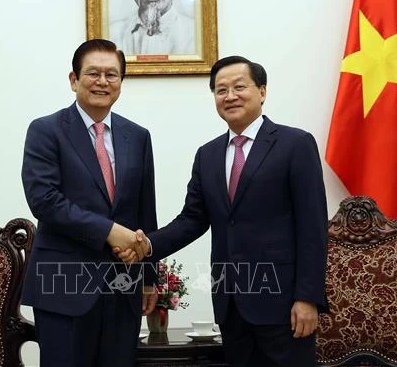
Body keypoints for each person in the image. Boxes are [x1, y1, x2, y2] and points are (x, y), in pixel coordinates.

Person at [117, 56, 329, 366]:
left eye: (239, 87)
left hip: (285, 305)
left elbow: (312, 228)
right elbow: (192, 220)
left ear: (262, 91)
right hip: (231, 305)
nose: (230, 96)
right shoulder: (208, 155)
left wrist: (308, 298)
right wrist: (146, 245)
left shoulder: (294, 144)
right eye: (220, 90)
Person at [21, 39, 158, 367]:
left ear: (121, 83)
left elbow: (145, 210)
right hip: (64, 286)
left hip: (124, 287)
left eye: (112, 75)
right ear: (73, 80)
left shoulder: (137, 136)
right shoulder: (46, 130)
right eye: (93, 73)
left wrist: (150, 279)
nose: (102, 81)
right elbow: (45, 201)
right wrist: (110, 231)